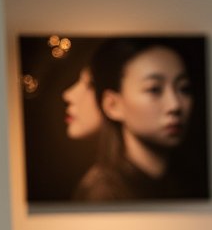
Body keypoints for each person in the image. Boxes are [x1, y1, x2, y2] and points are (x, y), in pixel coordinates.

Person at [73, 37, 194, 201]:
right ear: (113, 105)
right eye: (154, 89)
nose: (175, 105)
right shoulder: (101, 193)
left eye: (184, 89)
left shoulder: (182, 184)